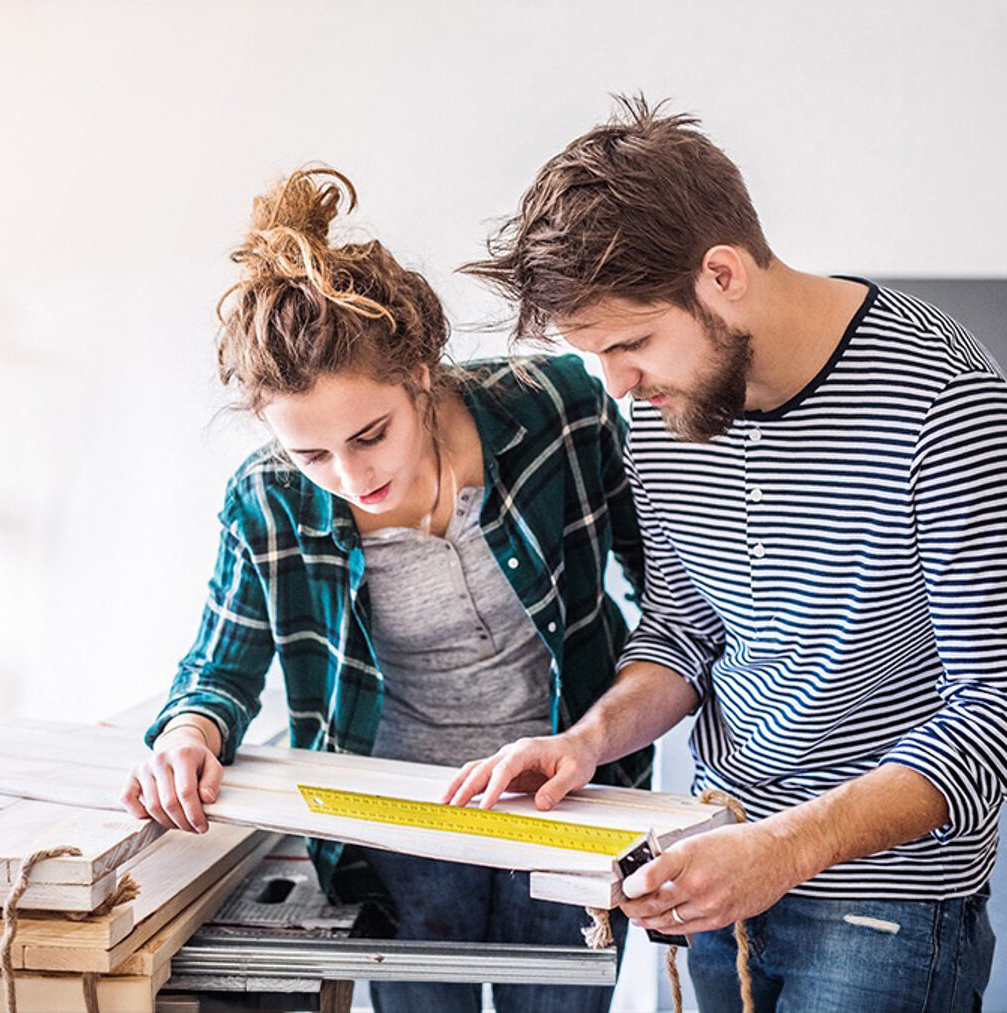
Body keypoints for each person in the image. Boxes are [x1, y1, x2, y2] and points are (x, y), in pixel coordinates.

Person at [446, 97, 1007, 1011]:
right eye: (595, 355)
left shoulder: (944, 402)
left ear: (723, 275)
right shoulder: (661, 414)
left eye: (630, 344)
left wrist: (784, 849)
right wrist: (587, 740)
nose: (614, 383)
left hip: (885, 918)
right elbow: (684, 633)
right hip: (716, 872)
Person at [122, 166, 647, 1012]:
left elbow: (673, 588)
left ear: (421, 370)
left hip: (568, 801)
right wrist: (187, 732)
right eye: (313, 454)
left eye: (371, 434)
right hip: (399, 816)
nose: (351, 475)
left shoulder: (559, 409)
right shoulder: (268, 500)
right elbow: (220, 668)